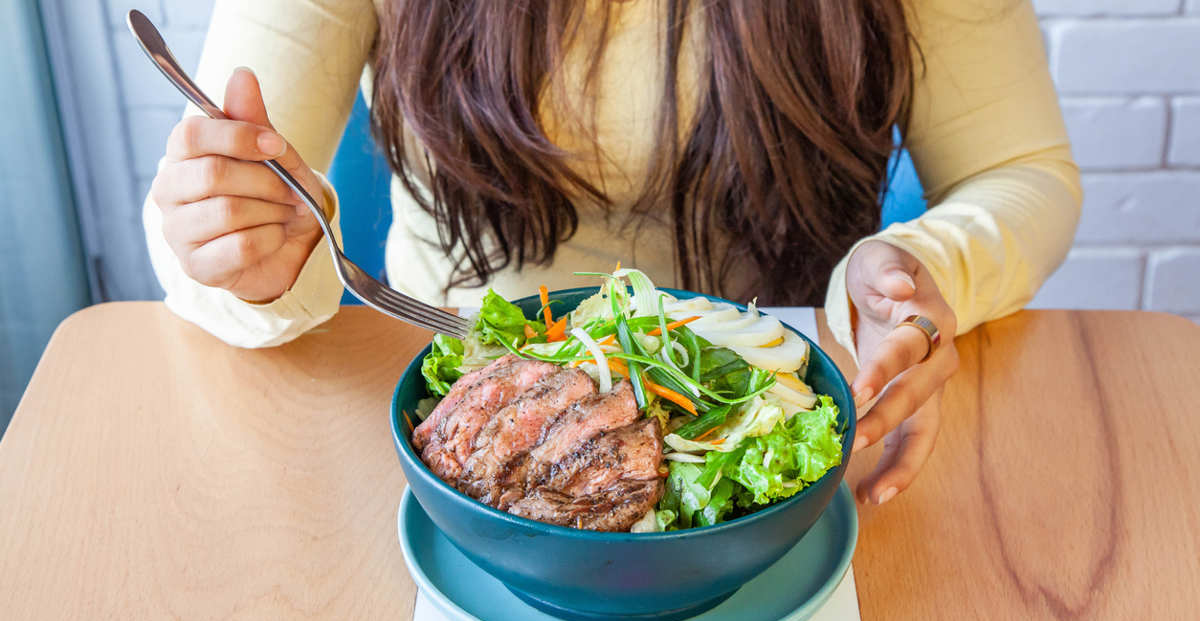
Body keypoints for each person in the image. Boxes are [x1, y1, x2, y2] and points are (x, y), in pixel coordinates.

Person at [143, 0, 1081, 506]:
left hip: (774, 410)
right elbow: (217, 174)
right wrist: (241, 254)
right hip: (457, 402)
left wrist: (926, 269)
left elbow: (1022, 170)